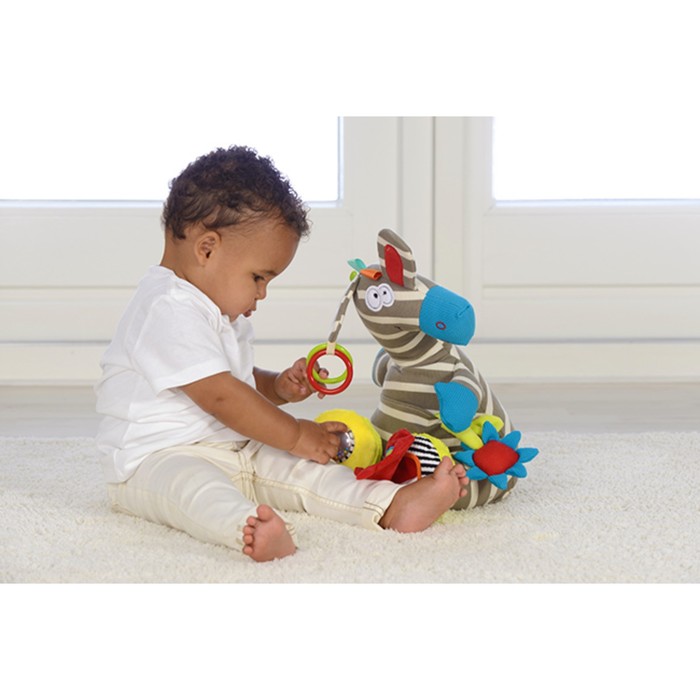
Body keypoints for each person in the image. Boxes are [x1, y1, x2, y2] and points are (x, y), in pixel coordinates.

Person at [95, 146, 468, 562]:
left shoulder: (216, 309)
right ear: (207, 249)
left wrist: (277, 387)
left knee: (307, 471)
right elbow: (220, 396)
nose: (262, 293)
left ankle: (387, 504)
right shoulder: (166, 307)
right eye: (258, 277)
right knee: (196, 491)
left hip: (235, 445)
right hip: (156, 460)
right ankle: (248, 527)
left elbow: (233, 381)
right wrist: (296, 434)